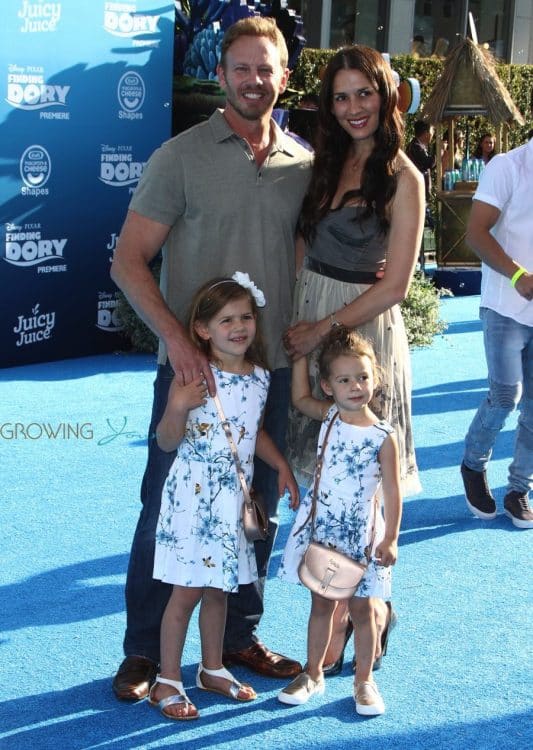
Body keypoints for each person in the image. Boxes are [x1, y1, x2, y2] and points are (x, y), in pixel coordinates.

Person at [110, 16, 313, 701]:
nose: (255, 80)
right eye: (243, 68)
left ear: (285, 77)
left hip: (270, 376)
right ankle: (144, 650)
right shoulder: (181, 155)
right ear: (222, 74)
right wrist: (175, 339)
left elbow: (298, 256)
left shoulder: (302, 164)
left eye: (268, 68)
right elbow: (128, 262)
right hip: (194, 373)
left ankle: (235, 640)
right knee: (164, 506)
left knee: (255, 506)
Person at [282, 44, 423, 680]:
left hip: (362, 331)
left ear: (386, 95)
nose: (353, 108)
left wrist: (322, 331)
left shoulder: (404, 177)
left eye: (363, 93)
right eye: (340, 97)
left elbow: (396, 286)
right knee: (324, 480)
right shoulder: (324, 164)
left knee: (366, 478)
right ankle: (332, 612)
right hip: (313, 314)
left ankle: (372, 611)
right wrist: (297, 319)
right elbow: (303, 245)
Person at [148, 274, 299, 720]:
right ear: (202, 330)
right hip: (194, 501)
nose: (239, 326)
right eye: (226, 319)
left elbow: (251, 436)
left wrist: (282, 465)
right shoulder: (194, 376)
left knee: (220, 591)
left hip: (232, 501)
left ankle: (211, 669)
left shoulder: (260, 378)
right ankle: (167, 681)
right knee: (186, 592)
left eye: (246, 317)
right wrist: (177, 406)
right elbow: (165, 442)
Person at [277, 328, 402, 715]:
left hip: (361, 535)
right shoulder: (329, 415)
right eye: (344, 380)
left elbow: (393, 493)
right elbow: (299, 398)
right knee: (321, 604)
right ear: (328, 386)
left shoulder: (383, 436)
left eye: (363, 377)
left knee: (363, 611)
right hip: (323, 529)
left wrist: (392, 538)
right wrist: (300, 354)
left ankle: (364, 680)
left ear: (375, 378)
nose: (355, 386)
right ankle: (312, 673)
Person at [461, 106, 533, 530]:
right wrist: (519, 275)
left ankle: (519, 488)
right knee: (507, 396)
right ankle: (473, 464)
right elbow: (475, 233)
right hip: (506, 305)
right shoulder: (508, 167)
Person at [406, 120, 436, 204]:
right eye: (432, 131)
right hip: (417, 192)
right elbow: (428, 163)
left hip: (420, 191)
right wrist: (437, 152)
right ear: (426, 133)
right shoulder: (415, 147)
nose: (432, 134)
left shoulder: (419, 146)